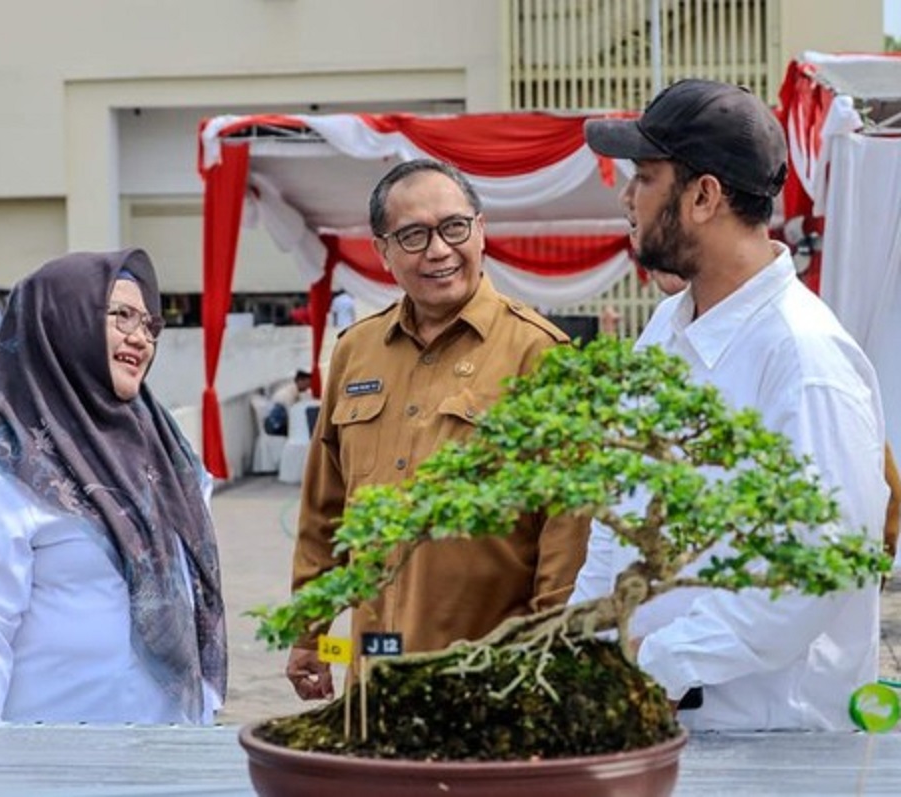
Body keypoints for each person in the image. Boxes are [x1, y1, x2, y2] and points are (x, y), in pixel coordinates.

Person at [573, 78, 888, 731]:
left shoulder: (804, 359)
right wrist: (586, 644)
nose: (628, 197)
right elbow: (616, 518)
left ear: (704, 196)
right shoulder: (665, 328)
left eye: (645, 176)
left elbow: (813, 572)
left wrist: (651, 663)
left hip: (768, 745)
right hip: (654, 725)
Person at [286, 158, 591, 700]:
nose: (439, 250)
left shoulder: (538, 353)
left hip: (488, 677)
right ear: (382, 250)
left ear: (481, 230)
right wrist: (309, 631)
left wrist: (551, 656)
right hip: (375, 670)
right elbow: (324, 509)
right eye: (413, 235)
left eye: (455, 228)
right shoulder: (356, 352)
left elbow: (566, 529)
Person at [0, 249, 226, 725]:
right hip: (54, 765)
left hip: (166, 755)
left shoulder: (165, 451)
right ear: (62, 323)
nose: (140, 339)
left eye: (149, 324)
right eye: (122, 317)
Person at [263, 369, 313, 436]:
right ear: (300, 380)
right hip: (274, 426)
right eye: (308, 383)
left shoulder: (292, 391)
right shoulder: (287, 394)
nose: (308, 386)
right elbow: (291, 415)